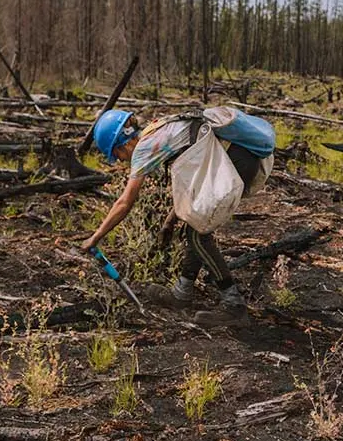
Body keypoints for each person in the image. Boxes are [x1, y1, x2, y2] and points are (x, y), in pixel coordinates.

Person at [81, 106, 275, 327]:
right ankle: (182, 292)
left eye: (117, 155)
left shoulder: (144, 148)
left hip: (236, 158)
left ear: (122, 144)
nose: (122, 160)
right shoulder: (157, 130)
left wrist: (96, 237)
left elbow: (125, 202)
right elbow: (192, 182)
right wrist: (170, 222)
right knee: (194, 224)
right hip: (239, 156)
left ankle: (234, 306)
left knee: (198, 233)